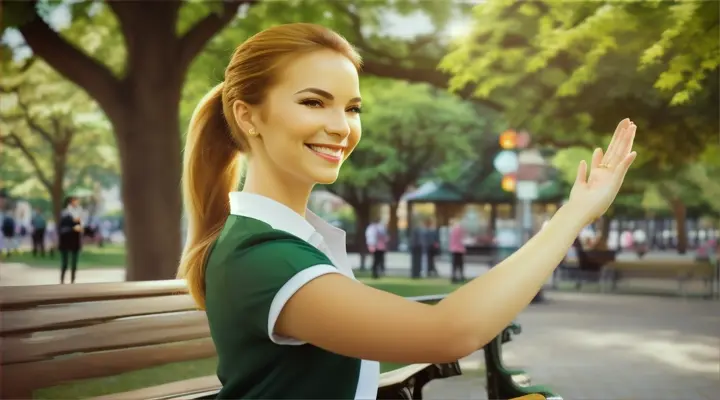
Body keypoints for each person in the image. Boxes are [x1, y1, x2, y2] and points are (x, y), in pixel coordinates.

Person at [176, 23, 638, 400]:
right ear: (247, 116)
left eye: (352, 108)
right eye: (313, 102)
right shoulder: (263, 259)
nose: (340, 127)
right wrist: (574, 215)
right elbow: (449, 333)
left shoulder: (283, 244)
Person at [58, 196, 83, 284]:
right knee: (65, 262)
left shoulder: (79, 213)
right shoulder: (65, 213)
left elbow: (80, 226)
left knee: (74, 262)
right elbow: (61, 228)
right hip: (66, 240)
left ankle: (73, 280)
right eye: (75, 201)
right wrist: (73, 228)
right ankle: (62, 280)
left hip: (75, 240)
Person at [448, 218, 466, 283]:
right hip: (459, 249)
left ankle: (454, 277)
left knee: (454, 265)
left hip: (454, 249)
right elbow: (462, 239)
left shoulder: (452, 230)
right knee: (460, 264)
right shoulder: (459, 229)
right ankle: (461, 277)